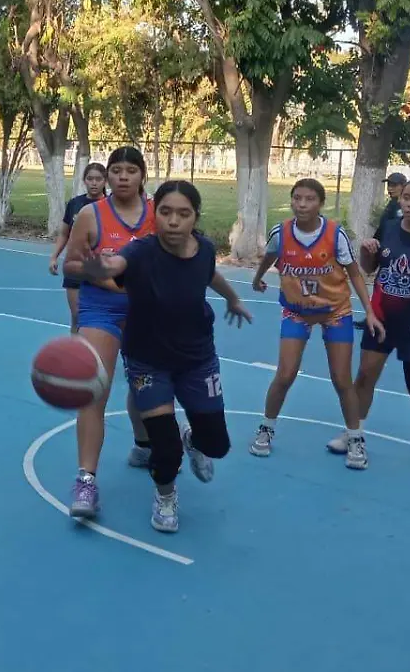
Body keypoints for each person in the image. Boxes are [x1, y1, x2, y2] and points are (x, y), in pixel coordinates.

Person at [75, 180, 251, 532]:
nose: (173, 221)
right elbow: (115, 264)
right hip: (148, 359)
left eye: (183, 214)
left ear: (195, 218)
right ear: (156, 214)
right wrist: (98, 267)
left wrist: (233, 298)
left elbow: (210, 275)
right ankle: (166, 496)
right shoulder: (141, 252)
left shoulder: (202, 248)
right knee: (164, 446)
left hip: (197, 358)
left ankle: (194, 439)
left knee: (216, 444)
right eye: (166, 212)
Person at [249, 178, 385, 470]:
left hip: (335, 311)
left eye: (309, 199)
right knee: (285, 374)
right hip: (296, 311)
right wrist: (258, 276)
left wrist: (370, 311)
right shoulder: (282, 232)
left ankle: (355, 438)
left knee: (341, 379)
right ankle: (266, 427)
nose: (302, 204)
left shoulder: (335, 235)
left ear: (320, 204)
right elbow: (271, 255)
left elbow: (355, 274)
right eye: (297, 198)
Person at [327, 178, 410, 470]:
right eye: (407, 197)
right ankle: (353, 433)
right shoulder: (387, 229)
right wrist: (366, 251)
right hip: (381, 319)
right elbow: (369, 268)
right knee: (365, 376)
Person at [61, 146, 155, 519]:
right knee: (93, 390)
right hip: (101, 308)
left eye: (131, 170)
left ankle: (146, 444)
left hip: (147, 311)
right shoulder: (90, 214)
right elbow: (71, 262)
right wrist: (99, 273)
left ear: (142, 175)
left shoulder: (158, 214)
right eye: (116, 170)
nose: (122, 177)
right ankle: (86, 480)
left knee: (144, 387)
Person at [51, 163, 107, 333]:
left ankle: (98, 353)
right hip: (75, 266)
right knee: (76, 317)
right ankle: (75, 356)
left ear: (105, 181)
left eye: (98, 179)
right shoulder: (75, 204)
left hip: (101, 268)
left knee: (100, 319)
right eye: (90, 179)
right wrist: (54, 256)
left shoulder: (110, 206)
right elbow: (64, 234)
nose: (94, 183)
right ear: (84, 181)